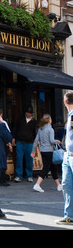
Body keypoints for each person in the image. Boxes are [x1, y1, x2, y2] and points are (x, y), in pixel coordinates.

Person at [30, 114, 62, 193]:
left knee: (52, 167)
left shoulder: (41, 129)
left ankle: (58, 185)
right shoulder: (50, 129)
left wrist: (33, 151)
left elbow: (36, 141)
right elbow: (51, 141)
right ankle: (37, 184)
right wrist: (57, 141)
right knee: (46, 168)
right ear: (49, 120)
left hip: (42, 150)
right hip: (49, 150)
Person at [56, 91, 73, 225]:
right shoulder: (69, 116)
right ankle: (69, 216)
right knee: (66, 185)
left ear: (64, 101)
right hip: (67, 155)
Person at [12, 106, 37, 183]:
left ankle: (29, 175)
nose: (27, 114)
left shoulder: (34, 122)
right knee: (19, 159)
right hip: (20, 141)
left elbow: (35, 132)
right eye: (27, 112)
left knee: (29, 159)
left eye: (29, 113)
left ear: (31, 114)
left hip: (29, 143)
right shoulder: (20, 119)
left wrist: (35, 141)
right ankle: (18, 175)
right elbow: (15, 128)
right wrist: (13, 137)